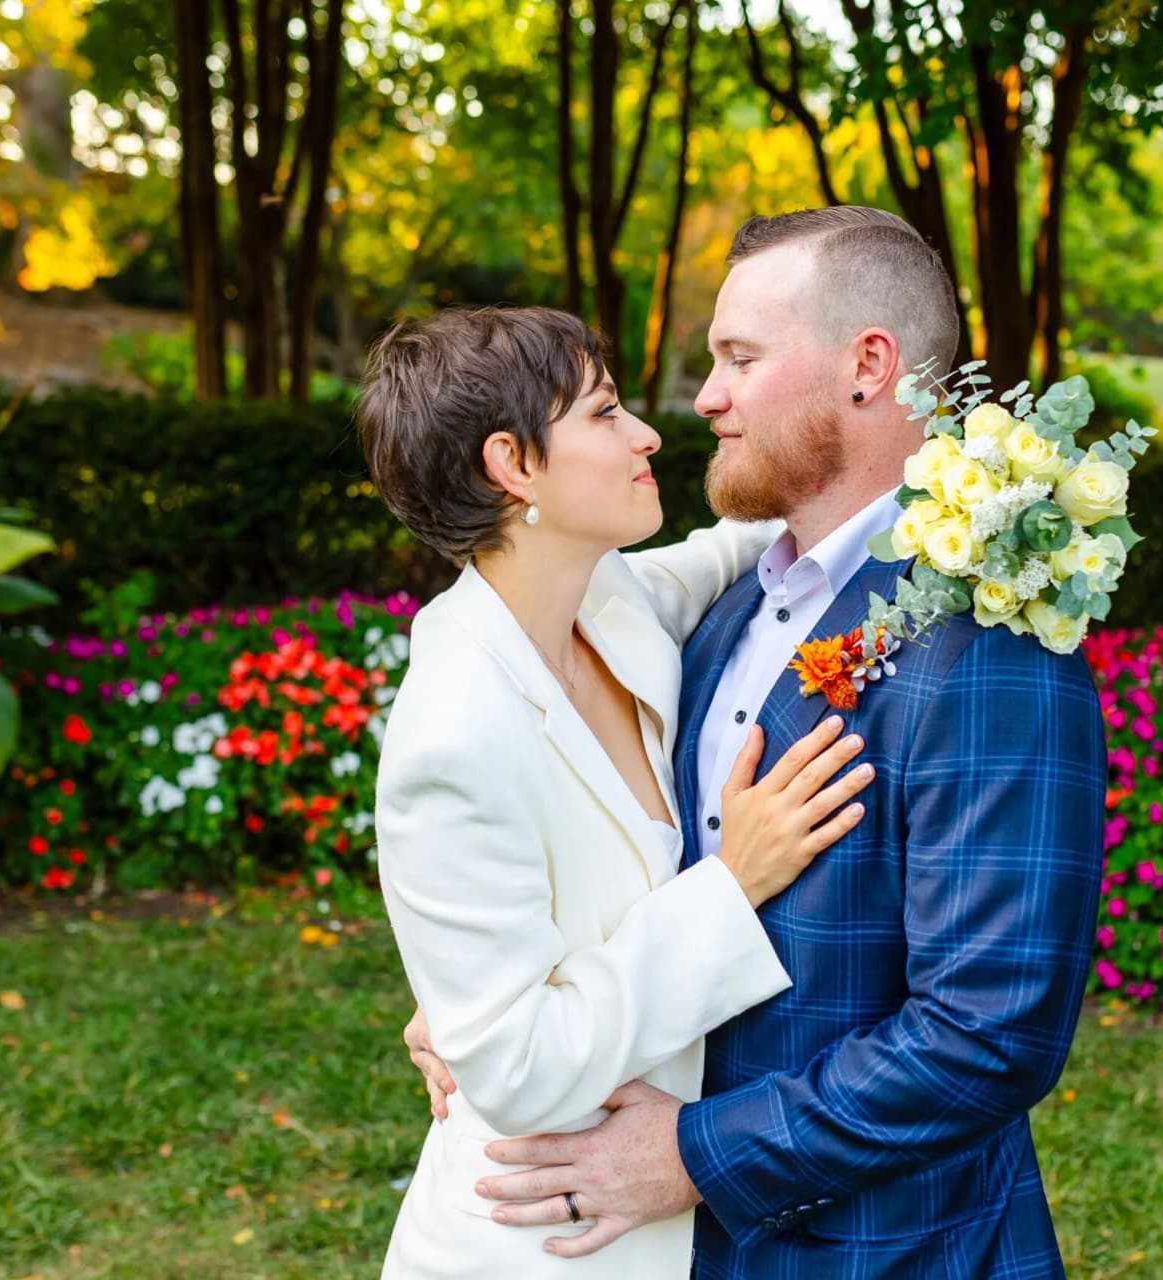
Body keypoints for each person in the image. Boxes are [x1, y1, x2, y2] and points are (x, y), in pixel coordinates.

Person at [410, 207, 1109, 1278]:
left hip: (883, 1247)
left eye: (739, 357)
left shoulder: (994, 638)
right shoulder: (725, 606)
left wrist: (693, 1154)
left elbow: (989, 1031)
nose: (701, 399)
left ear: (869, 365)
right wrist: (481, 998)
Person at [359, 304, 876, 1278]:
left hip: (667, 1228)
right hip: (534, 1238)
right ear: (513, 464)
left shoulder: (610, 599)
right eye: (603, 413)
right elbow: (517, 1066)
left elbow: (742, 540)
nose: (647, 433)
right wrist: (734, 881)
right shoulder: (453, 732)